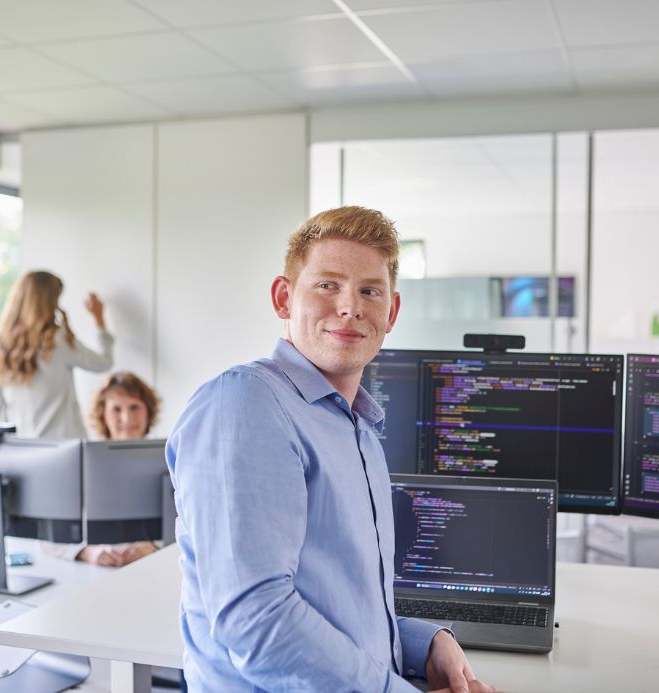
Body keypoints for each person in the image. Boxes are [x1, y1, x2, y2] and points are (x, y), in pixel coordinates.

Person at [167, 207, 496, 692]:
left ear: (392, 312)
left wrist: (421, 643)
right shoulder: (245, 404)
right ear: (284, 298)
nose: (350, 307)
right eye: (327, 285)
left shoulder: (357, 428)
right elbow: (254, 622)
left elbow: (339, 604)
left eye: (370, 290)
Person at [0, 270, 113, 439]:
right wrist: (99, 319)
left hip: (20, 446)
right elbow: (103, 363)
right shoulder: (55, 340)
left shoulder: (0, 346)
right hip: (62, 446)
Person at [68, 371, 163, 567]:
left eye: (134, 407)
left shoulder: (170, 459)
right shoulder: (83, 463)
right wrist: (88, 552)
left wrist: (155, 546)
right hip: (98, 573)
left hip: (154, 567)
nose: (127, 418)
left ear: (148, 411)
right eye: (116, 409)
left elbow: (191, 523)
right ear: (103, 415)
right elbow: (50, 538)